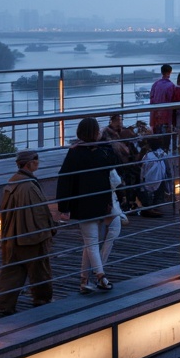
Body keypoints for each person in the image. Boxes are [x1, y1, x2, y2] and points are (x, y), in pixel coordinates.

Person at [56, 117, 118, 295]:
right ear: (95, 132)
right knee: (91, 242)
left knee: (89, 242)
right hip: (99, 203)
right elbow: (112, 167)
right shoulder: (102, 152)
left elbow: (65, 180)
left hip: (82, 204)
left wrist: (64, 207)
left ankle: (85, 281)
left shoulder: (75, 153)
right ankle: (101, 276)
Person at [0, 150, 57, 316]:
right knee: (40, 270)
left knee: (12, 272)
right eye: (36, 161)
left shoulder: (12, 183)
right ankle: (42, 300)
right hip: (31, 237)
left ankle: (5, 305)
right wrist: (49, 230)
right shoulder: (28, 186)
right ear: (29, 164)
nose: (38, 164)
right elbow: (40, 213)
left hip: (12, 236)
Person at [100, 114, 140, 210]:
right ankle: (124, 203)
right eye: (118, 120)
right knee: (123, 181)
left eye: (120, 120)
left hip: (127, 161)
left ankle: (131, 202)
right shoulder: (107, 132)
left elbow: (133, 141)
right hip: (117, 162)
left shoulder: (123, 130)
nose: (120, 122)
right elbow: (112, 146)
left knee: (135, 175)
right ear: (112, 121)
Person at [137, 137, 171, 217]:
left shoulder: (147, 156)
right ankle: (155, 206)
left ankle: (149, 207)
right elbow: (168, 169)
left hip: (149, 178)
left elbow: (143, 168)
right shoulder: (163, 154)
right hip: (160, 178)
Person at [148, 64, 177, 149]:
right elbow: (172, 104)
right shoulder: (171, 86)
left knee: (157, 144)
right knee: (165, 144)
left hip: (156, 118)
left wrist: (152, 121)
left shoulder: (155, 84)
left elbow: (151, 100)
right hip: (166, 119)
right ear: (170, 72)